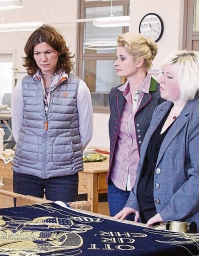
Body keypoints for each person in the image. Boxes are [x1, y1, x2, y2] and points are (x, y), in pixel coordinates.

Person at [114, 50, 199, 235]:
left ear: (188, 81)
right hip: (158, 216)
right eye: (162, 73)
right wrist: (134, 201)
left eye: (169, 76)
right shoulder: (162, 109)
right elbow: (147, 164)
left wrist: (168, 213)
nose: (160, 79)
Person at [11, 25, 93, 202]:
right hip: (26, 171)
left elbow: (85, 133)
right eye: (37, 53)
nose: (43, 59)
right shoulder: (22, 86)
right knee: (24, 223)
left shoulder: (79, 87)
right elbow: (17, 129)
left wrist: (64, 154)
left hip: (64, 174)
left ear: (59, 53)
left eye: (48, 52)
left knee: (61, 224)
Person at [107, 32, 163, 218]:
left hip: (147, 185)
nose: (116, 63)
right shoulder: (116, 94)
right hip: (117, 183)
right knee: (118, 237)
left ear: (139, 62)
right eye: (117, 58)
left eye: (122, 58)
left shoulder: (161, 96)